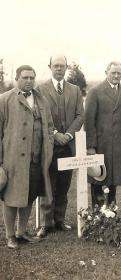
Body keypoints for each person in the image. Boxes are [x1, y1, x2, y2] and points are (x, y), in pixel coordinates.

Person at [0, 65, 54, 249]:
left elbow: (48, 126)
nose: (29, 81)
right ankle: (10, 235)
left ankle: (21, 232)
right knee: (11, 198)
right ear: (17, 79)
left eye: (32, 77)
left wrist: (48, 146)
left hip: (36, 159)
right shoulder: (4, 100)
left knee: (29, 196)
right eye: (25, 77)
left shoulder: (41, 100)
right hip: (12, 161)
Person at [36, 55, 84, 238]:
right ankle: (45, 223)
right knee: (48, 184)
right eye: (55, 66)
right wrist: (55, 134)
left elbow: (80, 115)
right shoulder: (40, 89)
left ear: (66, 68)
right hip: (49, 145)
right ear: (49, 67)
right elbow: (40, 117)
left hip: (68, 146)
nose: (59, 69)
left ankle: (60, 220)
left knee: (64, 185)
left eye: (62, 66)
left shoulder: (75, 90)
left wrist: (69, 135)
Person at [84, 61, 121, 206]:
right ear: (106, 73)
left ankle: (111, 210)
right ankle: (97, 213)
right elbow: (89, 120)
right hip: (100, 144)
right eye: (113, 73)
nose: (116, 76)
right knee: (98, 177)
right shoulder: (95, 91)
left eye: (119, 73)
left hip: (119, 144)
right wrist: (90, 146)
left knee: (114, 178)